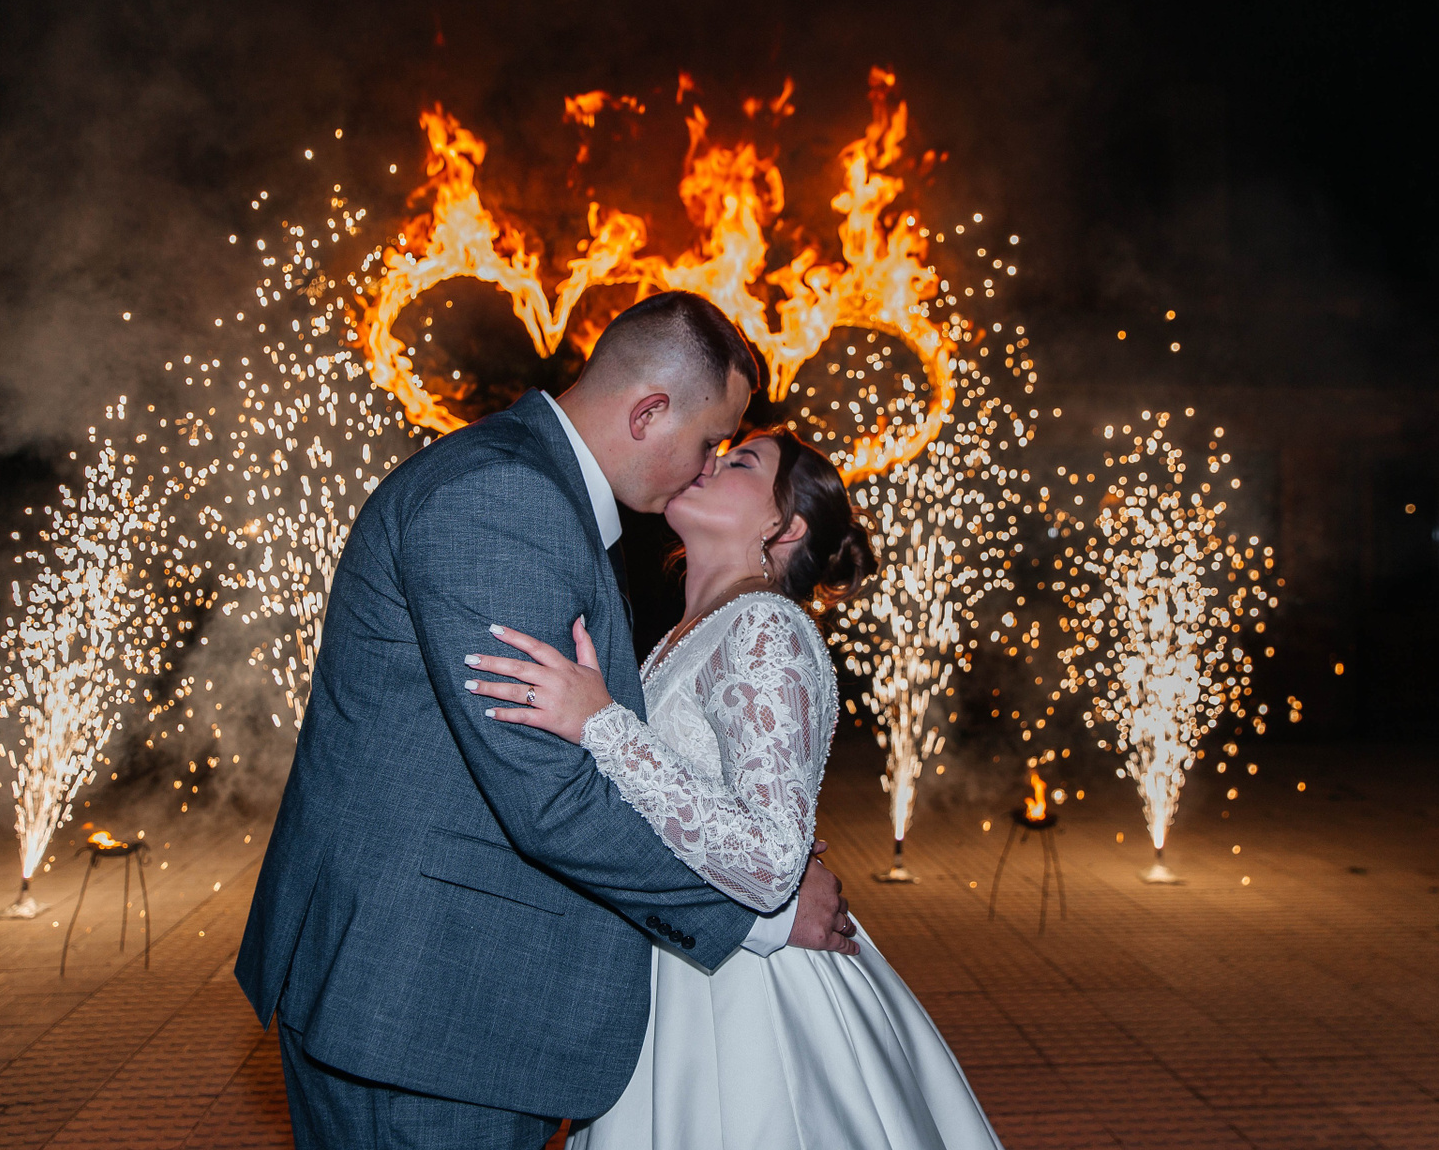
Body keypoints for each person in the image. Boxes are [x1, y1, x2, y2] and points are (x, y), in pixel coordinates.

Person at [235, 292, 859, 1150]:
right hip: (422, 1005)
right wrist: (759, 918)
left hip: (447, 1000)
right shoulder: (506, 498)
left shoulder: (528, 487)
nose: (706, 465)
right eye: (710, 440)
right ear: (648, 412)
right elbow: (550, 797)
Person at [470, 427, 1005, 1149]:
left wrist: (602, 723)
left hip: (746, 994)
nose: (712, 461)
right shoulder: (692, 631)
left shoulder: (763, 625)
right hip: (678, 958)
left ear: (785, 526)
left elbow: (771, 856)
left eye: (742, 461)